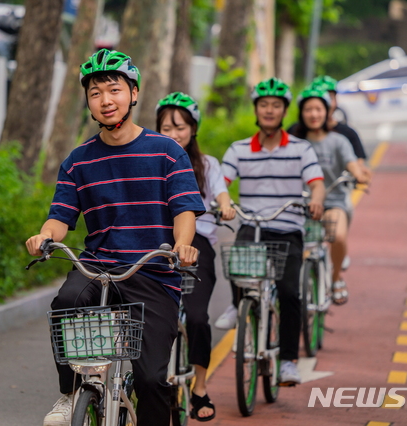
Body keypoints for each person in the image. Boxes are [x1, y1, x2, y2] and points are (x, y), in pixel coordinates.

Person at [26, 49, 205, 426]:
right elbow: (60, 217)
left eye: (114, 89)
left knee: (153, 380)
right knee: (66, 301)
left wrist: (182, 244)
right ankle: (70, 392)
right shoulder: (77, 161)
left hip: (152, 270)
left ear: (134, 93)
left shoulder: (168, 152)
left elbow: (184, 212)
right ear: (89, 102)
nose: (106, 100)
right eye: (95, 93)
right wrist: (44, 236)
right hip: (99, 266)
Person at [216, 77, 326, 385]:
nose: (269, 110)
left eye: (276, 106)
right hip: (253, 224)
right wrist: (223, 203)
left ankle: (289, 360)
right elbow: (221, 184)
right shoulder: (238, 149)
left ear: (284, 111)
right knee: (237, 260)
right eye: (264, 105)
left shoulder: (301, 149)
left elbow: (316, 184)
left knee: (290, 292)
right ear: (256, 109)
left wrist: (316, 202)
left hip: (288, 228)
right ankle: (240, 303)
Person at [155, 92, 236, 422]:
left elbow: (221, 192)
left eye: (181, 127)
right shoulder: (149, 160)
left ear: (193, 129)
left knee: (198, 318)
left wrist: (226, 206)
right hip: (155, 245)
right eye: (166, 127)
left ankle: (199, 386)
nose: (174, 134)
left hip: (195, 245)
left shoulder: (207, 165)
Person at [288, 85, 371, 305]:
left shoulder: (339, 141)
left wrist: (359, 175)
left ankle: (335, 279)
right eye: (308, 110)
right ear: (301, 113)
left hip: (333, 202)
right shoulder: (293, 142)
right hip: (299, 203)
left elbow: (353, 165)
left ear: (327, 112)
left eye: (318, 109)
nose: (314, 114)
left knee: (338, 236)